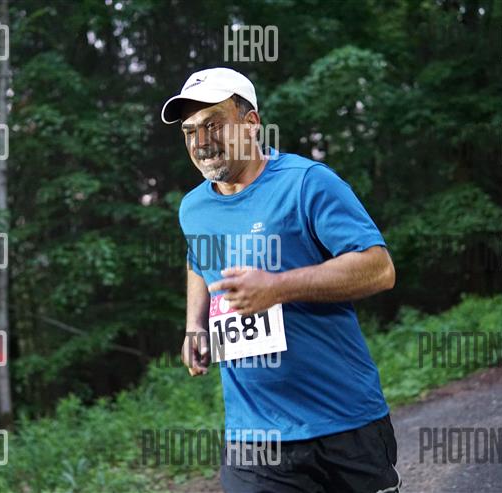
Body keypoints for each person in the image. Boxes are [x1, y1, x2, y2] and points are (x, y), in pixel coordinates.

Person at [162, 67, 401, 493]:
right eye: (190, 131)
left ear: (251, 123)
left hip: (343, 420)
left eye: (213, 124)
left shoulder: (306, 183)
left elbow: (378, 268)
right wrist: (194, 325)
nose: (201, 142)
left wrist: (278, 287)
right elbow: (198, 260)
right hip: (254, 435)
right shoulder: (193, 208)